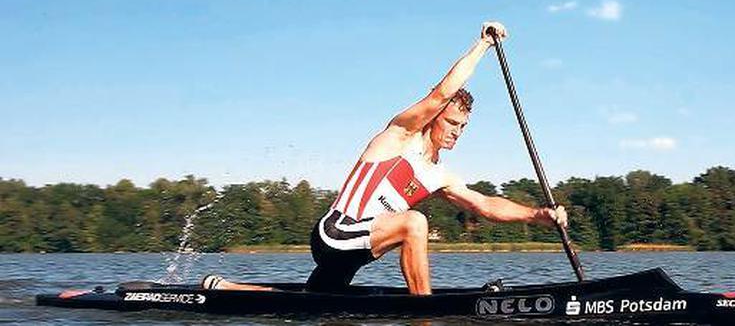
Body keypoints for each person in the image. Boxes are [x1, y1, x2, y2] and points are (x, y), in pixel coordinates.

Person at [203, 21, 567, 295]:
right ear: (434, 118)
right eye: (452, 123)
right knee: (415, 223)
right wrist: (483, 45)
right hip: (335, 235)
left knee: (310, 303)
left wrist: (539, 216)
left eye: (463, 127)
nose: (457, 131)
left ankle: (222, 289)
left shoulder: (439, 175)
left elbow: (486, 205)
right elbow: (441, 93)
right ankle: (424, 315)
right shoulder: (400, 136)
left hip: (360, 249)